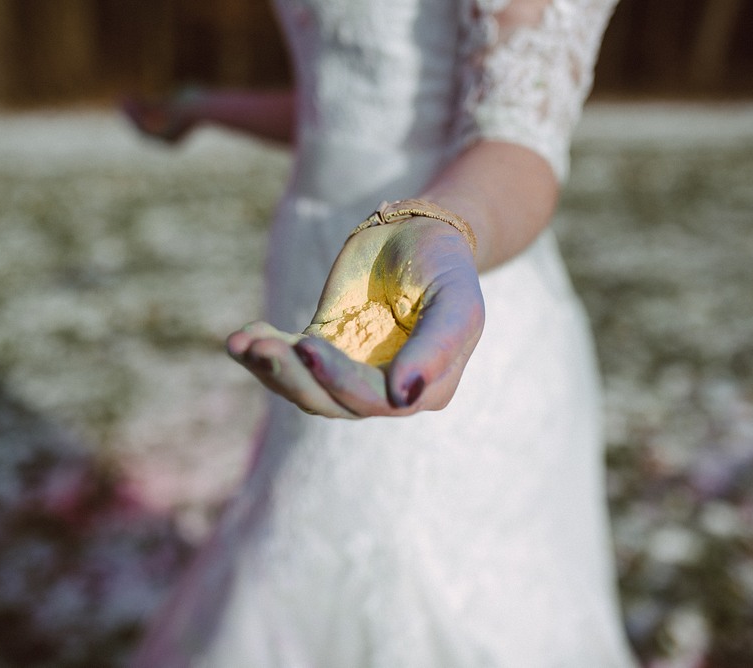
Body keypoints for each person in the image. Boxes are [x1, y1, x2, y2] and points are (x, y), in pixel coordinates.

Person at [127, 0, 637, 665]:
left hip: (437, 297)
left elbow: (518, 140)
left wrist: (432, 234)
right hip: (312, 268)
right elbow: (348, 101)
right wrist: (205, 105)